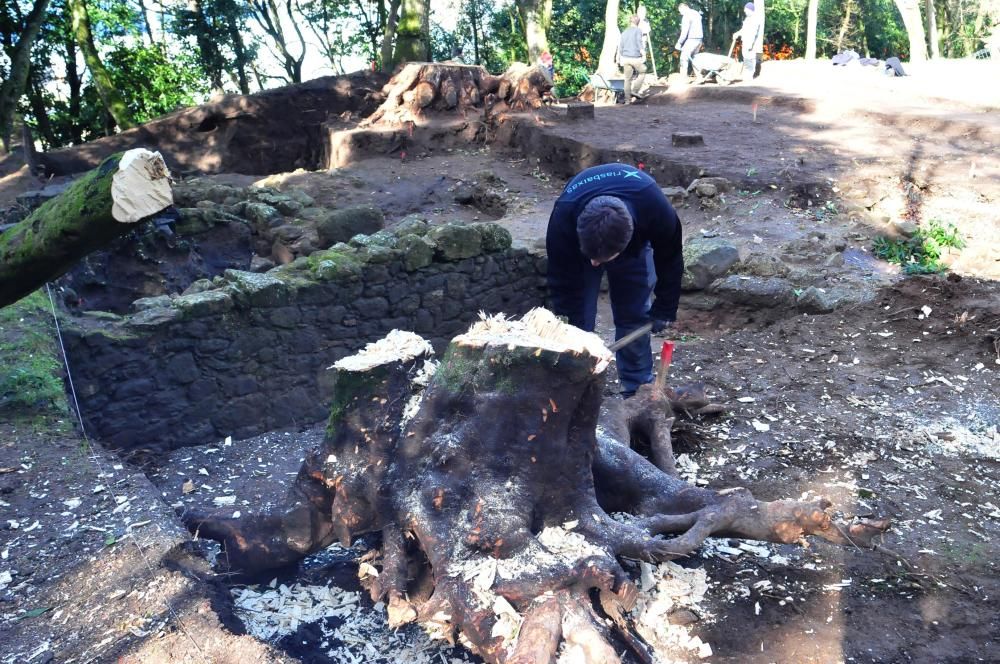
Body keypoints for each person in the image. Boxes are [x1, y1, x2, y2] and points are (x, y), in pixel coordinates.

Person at [546, 163, 684, 398]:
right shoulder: (563, 218)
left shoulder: (654, 207)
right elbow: (562, 285)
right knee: (576, 324)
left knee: (634, 313)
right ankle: (577, 388)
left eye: (601, 259)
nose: (595, 265)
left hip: (634, 242)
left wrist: (665, 307)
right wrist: (572, 331)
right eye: (592, 258)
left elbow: (670, 257)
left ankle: (637, 388)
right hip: (575, 247)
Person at [617, 14, 647, 104]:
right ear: (638, 22)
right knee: (643, 70)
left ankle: (627, 101)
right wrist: (643, 53)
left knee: (627, 79)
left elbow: (620, 46)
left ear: (630, 22)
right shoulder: (638, 30)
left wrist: (621, 56)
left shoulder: (624, 32)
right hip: (635, 58)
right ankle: (635, 90)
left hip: (625, 58)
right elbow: (638, 41)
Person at [734, 2, 765, 80]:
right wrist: (737, 33)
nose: (744, 11)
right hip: (746, 41)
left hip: (751, 43)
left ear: (750, 10)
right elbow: (744, 29)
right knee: (746, 58)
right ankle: (747, 74)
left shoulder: (755, 19)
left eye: (746, 9)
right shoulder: (748, 19)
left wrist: (749, 45)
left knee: (750, 58)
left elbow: (753, 33)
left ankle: (749, 76)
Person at [675, 3, 704, 79]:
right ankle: (699, 77)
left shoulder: (686, 16)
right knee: (695, 58)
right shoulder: (696, 13)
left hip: (692, 39)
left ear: (683, 8)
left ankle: (683, 78)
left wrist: (679, 42)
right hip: (699, 39)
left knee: (683, 58)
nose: (681, 13)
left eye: (680, 11)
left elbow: (684, 32)